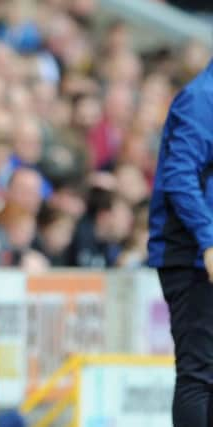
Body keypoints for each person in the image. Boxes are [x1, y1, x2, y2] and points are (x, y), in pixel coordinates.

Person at [148, 58, 213, 427]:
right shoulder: (202, 98)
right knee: (198, 372)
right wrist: (208, 239)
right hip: (191, 255)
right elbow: (180, 174)